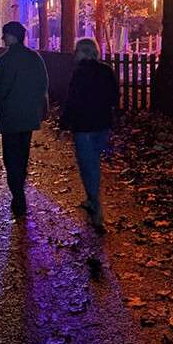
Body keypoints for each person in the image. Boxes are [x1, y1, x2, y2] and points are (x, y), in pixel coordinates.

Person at [0, 21, 48, 217]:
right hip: (28, 116)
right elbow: (43, 85)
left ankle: (18, 194)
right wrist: (42, 110)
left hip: (10, 116)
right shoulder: (34, 58)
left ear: (12, 36)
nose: (3, 38)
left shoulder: (6, 60)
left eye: (5, 35)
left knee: (11, 157)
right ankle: (20, 188)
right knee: (22, 154)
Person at [61, 38, 119, 230]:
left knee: (89, 165)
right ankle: (90, 198)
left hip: (84, 126)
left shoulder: (79, 73)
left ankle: (96, 208)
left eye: (76, 51)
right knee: (93, 161)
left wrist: (63, 124)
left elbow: (72, 100)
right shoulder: (106, 70)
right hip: (102, 123)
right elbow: (114, 97)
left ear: (83, 52)